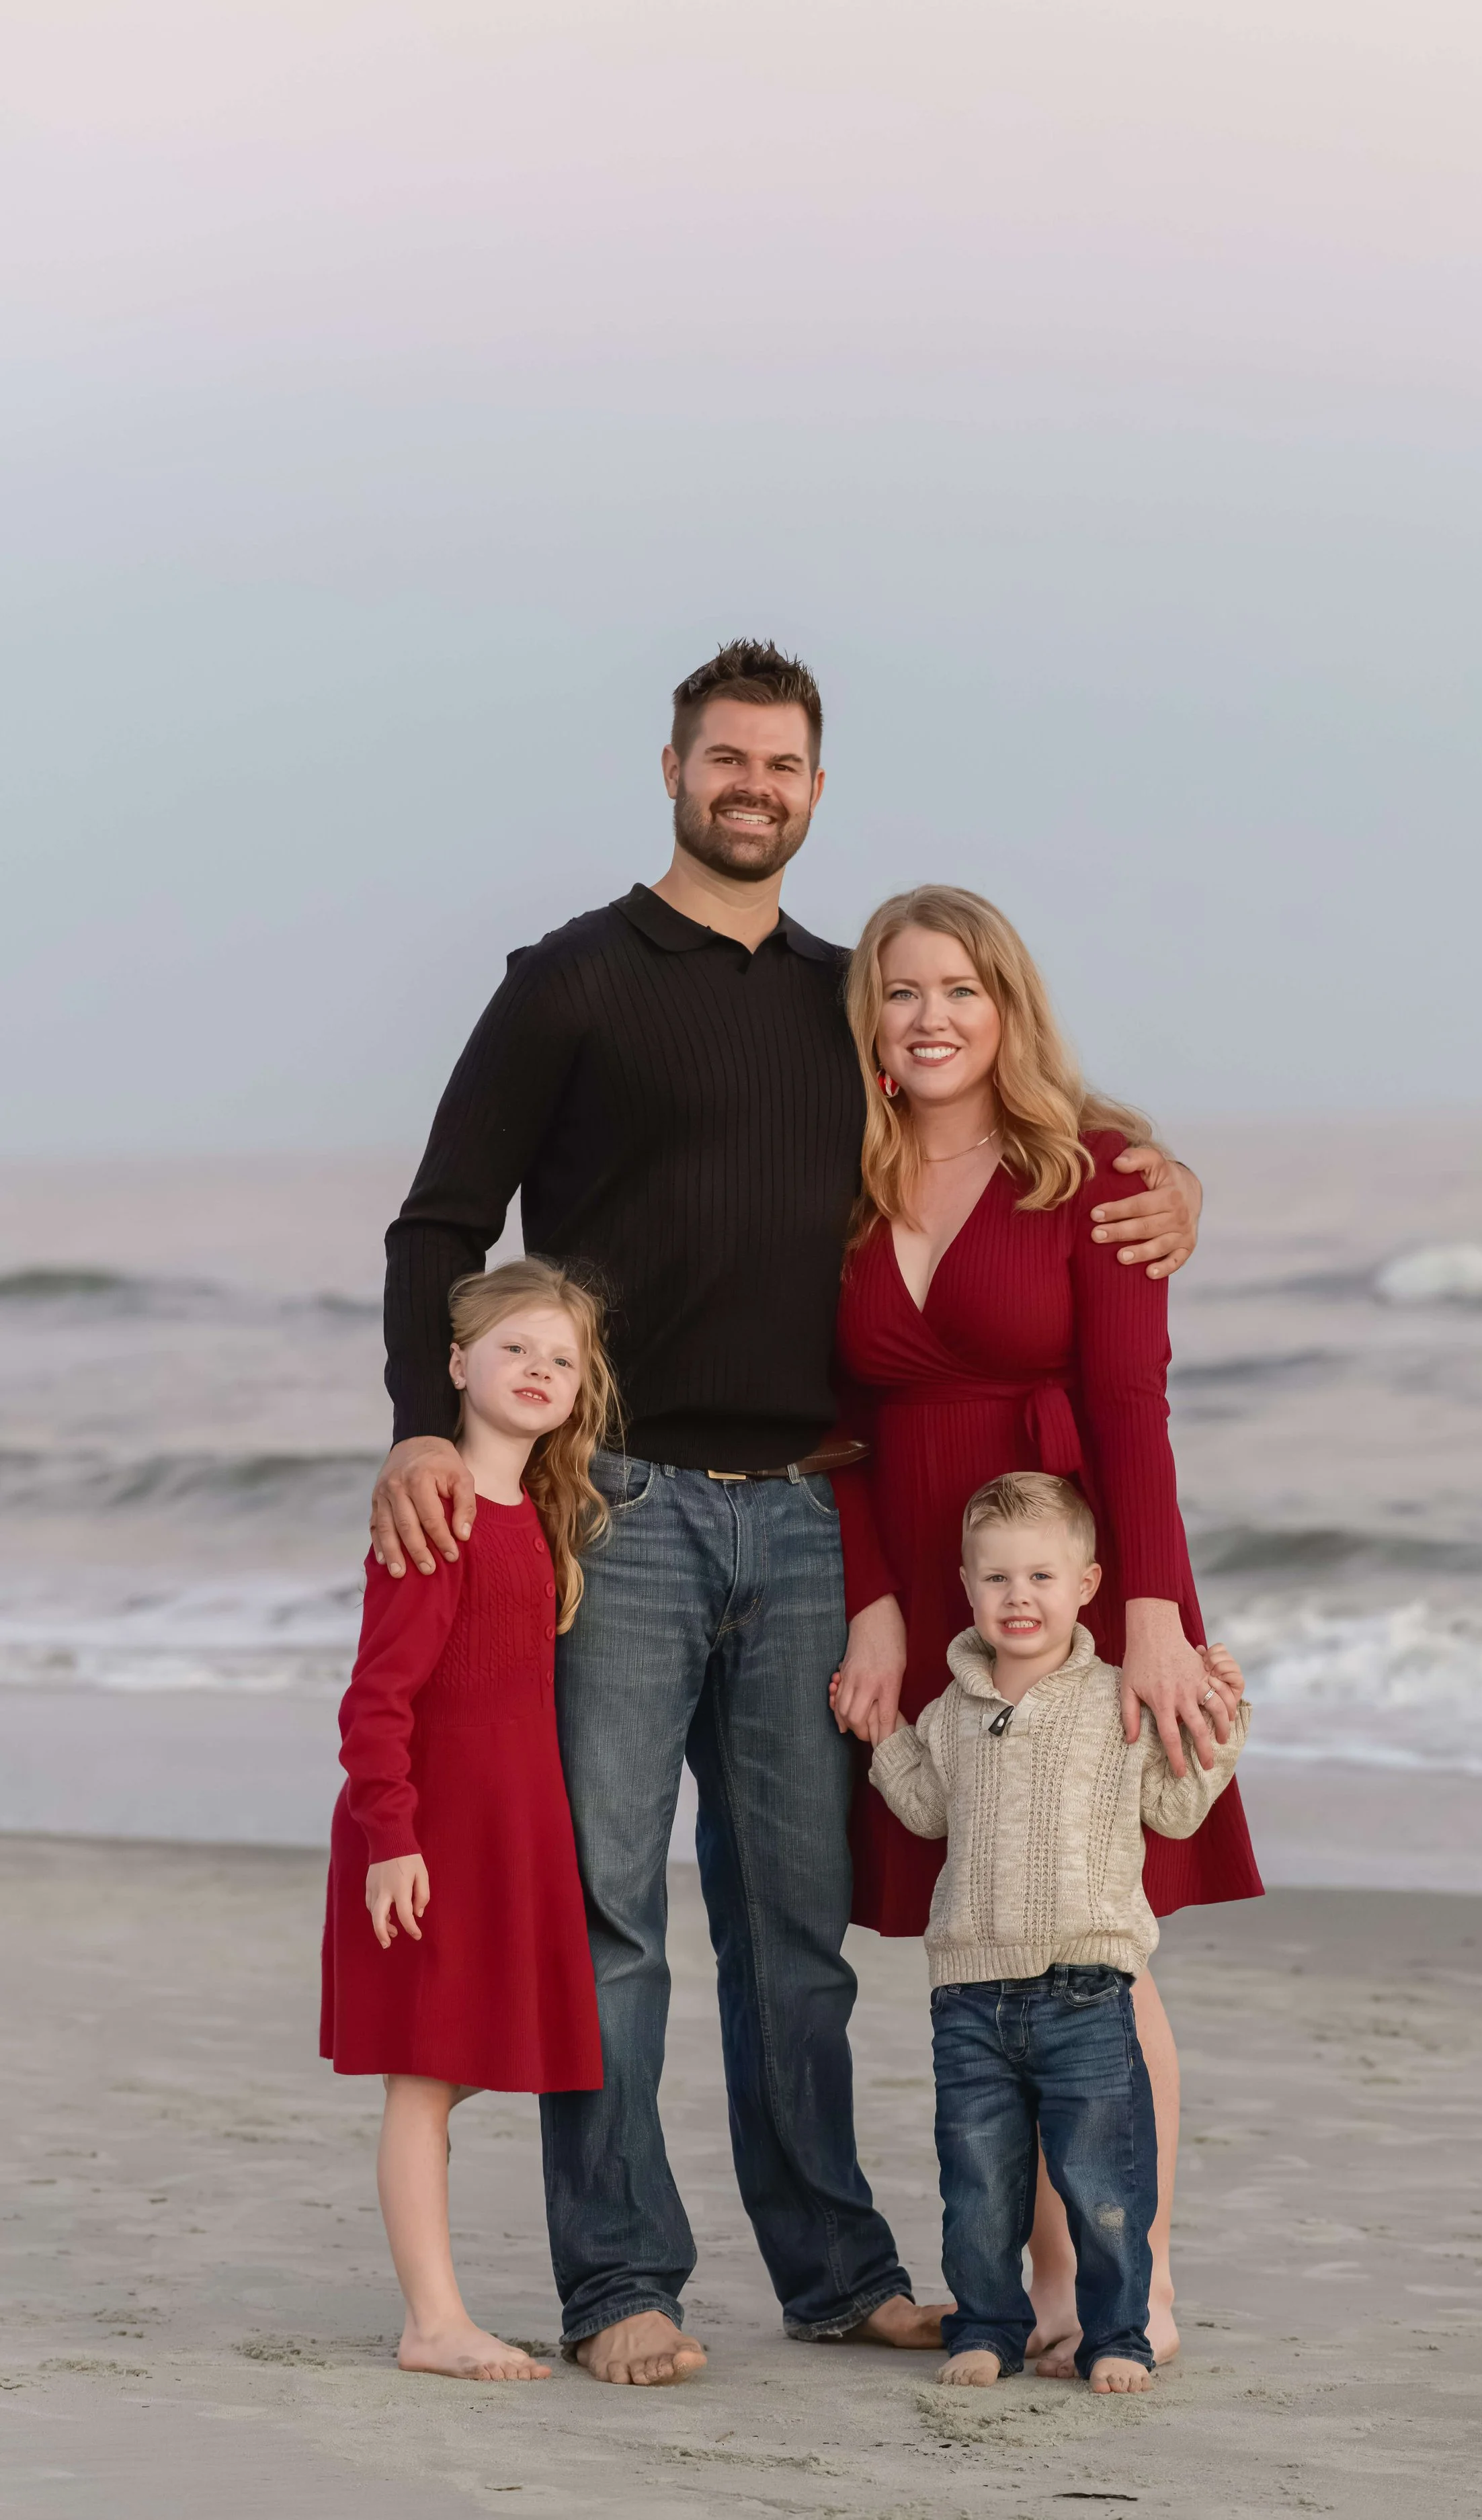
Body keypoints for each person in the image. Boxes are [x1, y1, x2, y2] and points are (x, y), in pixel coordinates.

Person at [370, 640, 1209, 2388]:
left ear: (815, 789)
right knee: (610, 1909)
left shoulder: (847, 1003)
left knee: (794, 1923)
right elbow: (436, 1223)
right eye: (724, 757)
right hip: (624, 1513)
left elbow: (997, 1110)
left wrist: (1162, 1171)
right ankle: (619, 2279)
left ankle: (834, 2266)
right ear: (672, 768)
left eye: (783, 764)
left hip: (812, 1522)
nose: (752, 785)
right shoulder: (570, 983)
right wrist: (419, 1429)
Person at [826, 882, 1262, 2372]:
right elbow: (834, 1425)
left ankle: (1115, 2265)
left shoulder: (1094, 1173)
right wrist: (876, 1604)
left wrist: (1146, 1615)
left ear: (1005, 1008)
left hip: (1076, 1585)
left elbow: (1133, 1412)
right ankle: (1024, 2269)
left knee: (1099, 1938)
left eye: (960, 988)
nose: (930, 1016)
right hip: (920, 1583)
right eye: (900, 991)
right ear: (869, 1021)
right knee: (989, 1935)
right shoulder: (845, 1182)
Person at [868, 1472, 1249, 2392]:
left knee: (1104, 2177)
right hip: (970, 1995)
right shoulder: (949, 1712)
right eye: (997, 1579)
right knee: (978, 2183)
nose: (1019, 1597)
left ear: (1088, 1583)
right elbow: (924, 1812)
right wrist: (881, 1733)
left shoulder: (1115, 1698)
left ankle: (1116, 2333)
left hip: (1088, 1988)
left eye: (1042, 1576)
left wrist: (1222, 1730)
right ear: (967, 1586)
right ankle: (989, 2326)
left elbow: (1175, 1806)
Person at [322, 1259, 612, 2380]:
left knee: (465, 2060)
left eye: (561, 1358)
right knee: (424, 2073)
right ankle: (432, 2321)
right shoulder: (437, 1506)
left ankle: (436, 2312)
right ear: (455, 1363)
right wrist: (392, 1835)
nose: (539, 1371)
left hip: (511, 1832)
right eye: (514, 1350)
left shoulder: (535, 1512)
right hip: (430, 1835)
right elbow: (376, 1694)